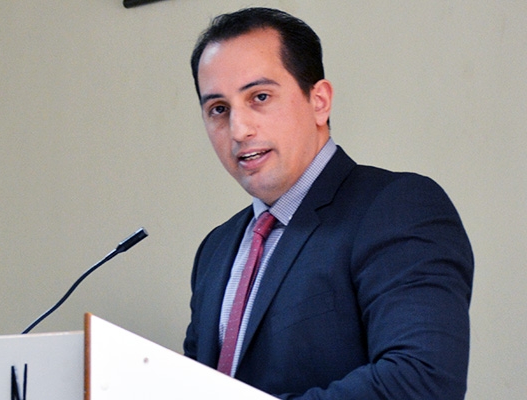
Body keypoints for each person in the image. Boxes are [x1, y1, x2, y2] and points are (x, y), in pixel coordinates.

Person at [184, 7, 473, 399]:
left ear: (319, 101)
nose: (239, 130)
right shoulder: (216, 249)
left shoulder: (397, 208)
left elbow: (421, 380)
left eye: (260, 97)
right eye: (219, 109)